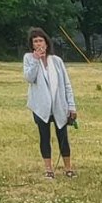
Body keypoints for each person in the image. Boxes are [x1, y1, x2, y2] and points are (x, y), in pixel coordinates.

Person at [23, 28, 77, 180]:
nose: (38, 44)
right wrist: (36, 60)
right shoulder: (28, 58)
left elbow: (66, 84)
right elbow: (29, 78)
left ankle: (68, 168)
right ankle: (48, 169)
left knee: (62, 135)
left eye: (41, 40)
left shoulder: (57, 61)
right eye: (35, 41)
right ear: (32, 44)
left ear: (46, 43)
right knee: (44, 136)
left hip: (59, 105)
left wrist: (71, 106)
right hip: (41, 106)